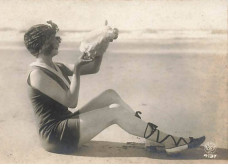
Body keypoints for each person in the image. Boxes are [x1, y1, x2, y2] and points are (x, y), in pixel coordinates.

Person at [24, 21, 205, 155]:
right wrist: (77, 71)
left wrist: (104, 41)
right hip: (56, 136)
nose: (58, 40)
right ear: (41, 45)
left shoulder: (57, 66)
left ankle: (151, 140)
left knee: (110, 95)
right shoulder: (37, 74)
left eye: (56, 36)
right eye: (53, 38)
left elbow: (94, 68)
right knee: (115, 112)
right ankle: (168, 141)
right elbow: (71, 101)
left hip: (66, 124)